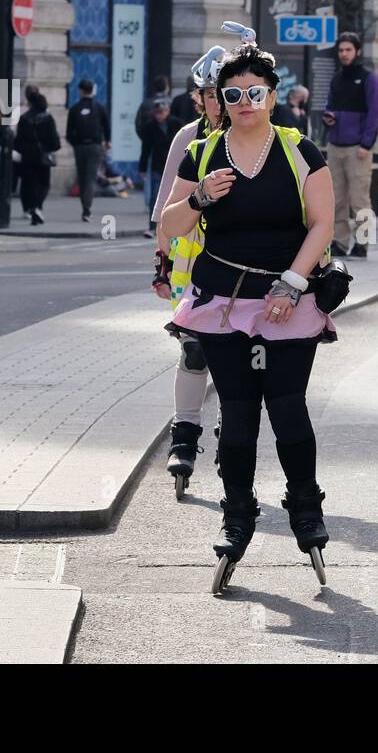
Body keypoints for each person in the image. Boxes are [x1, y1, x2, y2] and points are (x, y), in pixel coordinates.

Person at [160, 38, 337, 587]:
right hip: (222, 302)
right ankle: (237, 519)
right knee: (237, 414)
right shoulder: (203, 154)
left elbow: (323, 225)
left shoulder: (299, 150)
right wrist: (200, 199)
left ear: (272, 96)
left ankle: (306, 511)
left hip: (288, 299)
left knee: (286, 408)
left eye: (254, 93)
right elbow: (168, 226)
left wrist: (291, 283)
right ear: (220, 98)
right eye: (232, 93)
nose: (243, 101)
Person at [150, 39, 231, 489]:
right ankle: (184, 436)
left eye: (225, 92)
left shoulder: (260, 133)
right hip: (195, 266)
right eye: (210, 95)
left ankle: (231, 431)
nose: (218, 103)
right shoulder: (188, 138)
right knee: (195, 349)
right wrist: (161, 263)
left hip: (246, 265)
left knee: (237, 356)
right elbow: (166, 209)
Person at [321, 31, 378, 258]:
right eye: (341, 50)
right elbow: (329, 105)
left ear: (358, 51)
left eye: (348, 50)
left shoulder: (368, 78)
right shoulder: (336, 78)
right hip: (335, 146)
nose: (344, 54)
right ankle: (339, 241)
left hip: (358, 148)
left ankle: (362, 243)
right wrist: (329, 117)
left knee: (359, 199)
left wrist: (367, 144)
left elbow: (375, 113)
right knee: (336, 199)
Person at [13, 87, 60, 226]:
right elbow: (54, 139)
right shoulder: (47, 118)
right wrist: (52, 148)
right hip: (43, 155)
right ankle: (37, 207)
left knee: (29, 184)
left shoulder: (24, 119)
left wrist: (22, 150)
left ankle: (31, 208)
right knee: (44, 183)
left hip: (27, 156)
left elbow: (18, 140)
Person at [66, 78, 110, 222]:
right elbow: (107, 126)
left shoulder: (74, 109)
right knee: (90, 179)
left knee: (82, 177)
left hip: (79, 147)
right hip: (95, 147)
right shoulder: (100, 107)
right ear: (93, 90)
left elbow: (68, 133)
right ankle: (87, 209)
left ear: (80, 91)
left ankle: (84, 207)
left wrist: (75, 144)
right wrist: (107, 142)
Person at [139, 100, 177, 235]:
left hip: (174, 167)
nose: (159, 116)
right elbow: (146, 149)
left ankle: (171, 227)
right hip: (158, 166)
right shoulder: (150, 127)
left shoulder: (176, 124)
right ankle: (152, 227)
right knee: (155, 198)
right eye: (157, 113)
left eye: (162, 112)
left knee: (174, 198)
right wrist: (142, 168)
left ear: (167, 111)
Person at [134, 74, 172, 139]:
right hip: (169, 143)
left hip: (150, 141)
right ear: (166, 87)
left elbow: (138, 124)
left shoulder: (145, 104)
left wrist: (145, 138)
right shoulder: (171, 102)